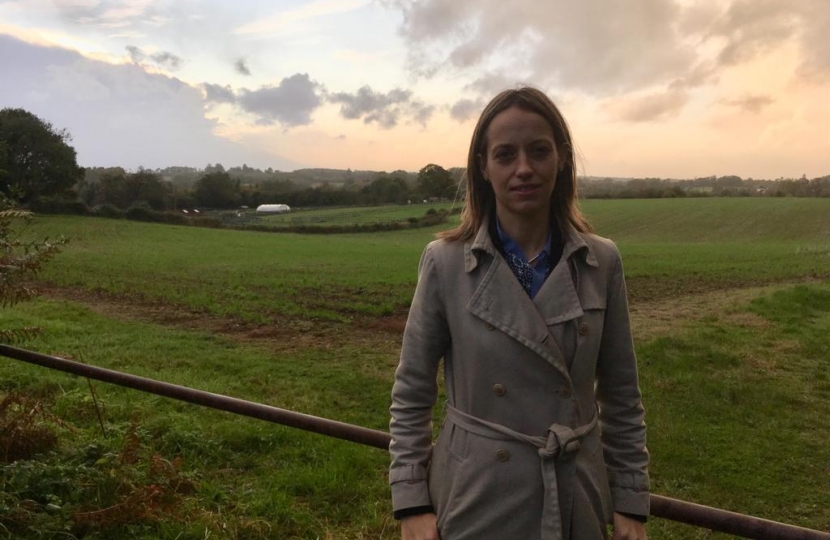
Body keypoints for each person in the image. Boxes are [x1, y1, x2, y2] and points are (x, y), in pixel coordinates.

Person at [388, 86, 649, 540]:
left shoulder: (602, 262)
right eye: (505, 154)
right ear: (483, 168)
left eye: (539, 151)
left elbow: (621, 395)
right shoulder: (445, 262)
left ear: (563, 158)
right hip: (476, 495)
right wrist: (411, 502)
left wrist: (629, 500)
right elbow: (411, 391)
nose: (523, 168)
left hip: (574, 494)